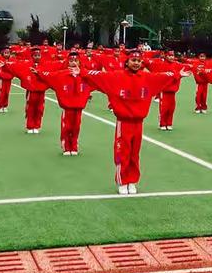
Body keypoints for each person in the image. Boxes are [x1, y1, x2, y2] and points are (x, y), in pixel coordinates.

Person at [79, 51, 189, 194]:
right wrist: (81, 71)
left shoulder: (147, 77)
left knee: (134, 154)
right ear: (127, 62)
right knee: (122, 152)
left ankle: (132, 180)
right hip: (123, 123)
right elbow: (98, 76)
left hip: (139, 123)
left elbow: (162, 77)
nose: (136, 63)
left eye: (138, 60)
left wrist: (177, 74)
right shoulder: (116, 76)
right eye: (133, 60)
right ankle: (122, 181)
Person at [33, 52, 93, 155]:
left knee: (76, 127)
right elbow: (49, 76)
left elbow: (97, 80)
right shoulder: (61, 74)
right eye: (71, 61)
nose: (73, 63)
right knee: (67, 127)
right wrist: (38, 72)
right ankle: (66, 146)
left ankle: (74, 146)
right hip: (67, 107)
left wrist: (88, 92)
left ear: (79, 62)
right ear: (67, 62)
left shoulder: (84, 74)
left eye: (75, 61)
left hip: (79, 106)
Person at [4, 47, 58, 133]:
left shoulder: (45, 65)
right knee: (30, 108)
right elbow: (16, 67)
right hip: (31, 91)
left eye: (39, 55)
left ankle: (37, 126)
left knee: (40, 109)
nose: (37, 57)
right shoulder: (27, 64)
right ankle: (30, 126)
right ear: (32, 56)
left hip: (41, 91)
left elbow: (54, 69)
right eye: (35, 55)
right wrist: (6, 65)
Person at [145, 51, 191, 130]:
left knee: (171, 108)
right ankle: (162, 123)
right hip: (164, 90)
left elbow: (187, 67)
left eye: (172, 55)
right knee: (164, 108)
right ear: (165, 56)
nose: (171, 57)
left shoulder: (177, 64)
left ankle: (169, 123)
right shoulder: (161, 64)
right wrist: (179, 74)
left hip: (173, 91)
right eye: (169, 56)